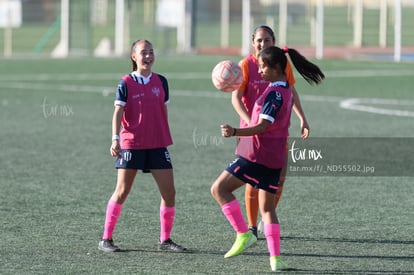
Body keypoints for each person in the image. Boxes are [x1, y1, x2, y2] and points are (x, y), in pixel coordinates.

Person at [211, 46, 324, 272]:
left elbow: (263, 126)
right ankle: (276, 260)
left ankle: (244, 234)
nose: (259, 71)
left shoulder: (275, 94)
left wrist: (234, 131)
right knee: (268, 209)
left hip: (256, 155)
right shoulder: (285, 90)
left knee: (219, 189)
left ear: (277, 68)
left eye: (263, 67)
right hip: (274, 158)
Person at [98, 39, 186, 253]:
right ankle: (106, 239)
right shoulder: (126, 82)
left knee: (170, 192)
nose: (148, 56)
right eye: (143, 52)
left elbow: (163, 112)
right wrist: (115, 139)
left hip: (157, 144)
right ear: (134, 57)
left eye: (151, 52)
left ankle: (165, 240)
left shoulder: (162, 82)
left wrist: (164, 134)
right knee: (122, 191)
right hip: (131, 144)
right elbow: (118, 112)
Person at [232, 25, 310, 237]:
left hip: (276, 134)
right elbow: (236, 98)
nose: (262, 44)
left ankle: (266, 218)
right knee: (252, 179)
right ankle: (251, 225)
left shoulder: (280, 65)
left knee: (279, 178)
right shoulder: (246, 65)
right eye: (259, 40)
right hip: (253, 132)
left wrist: (302, 118)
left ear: (273, 42)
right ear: (252, 42)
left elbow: (291, 91)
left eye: (267, 40)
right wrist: (249, 123)